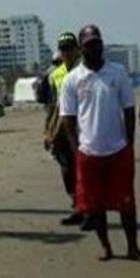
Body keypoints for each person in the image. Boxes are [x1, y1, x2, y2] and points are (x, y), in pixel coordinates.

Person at [60, 25, 140, 262]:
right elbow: (68, 118)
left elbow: (129, 110)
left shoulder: (118, 73)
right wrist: (75, 148)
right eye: (89, 44)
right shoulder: (72, 79)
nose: (94, 48)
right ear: (81, 48)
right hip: (88, 151)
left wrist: (129, 143)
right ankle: (106, 247)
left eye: (97, 43)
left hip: (118, 149)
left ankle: (133, 247)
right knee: (95, 205)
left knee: (126, 203)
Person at [44, 32, 86, 227]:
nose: (67, 52)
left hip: (83, 127)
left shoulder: (85, 70)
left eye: (70, 48)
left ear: (77, 49)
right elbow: (52, 105)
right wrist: (48, 130)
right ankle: (76, 205)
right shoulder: (56, 74)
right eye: (63, 48)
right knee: (67, 169)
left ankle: (89, 209)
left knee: (84, 170)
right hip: (62, 128)